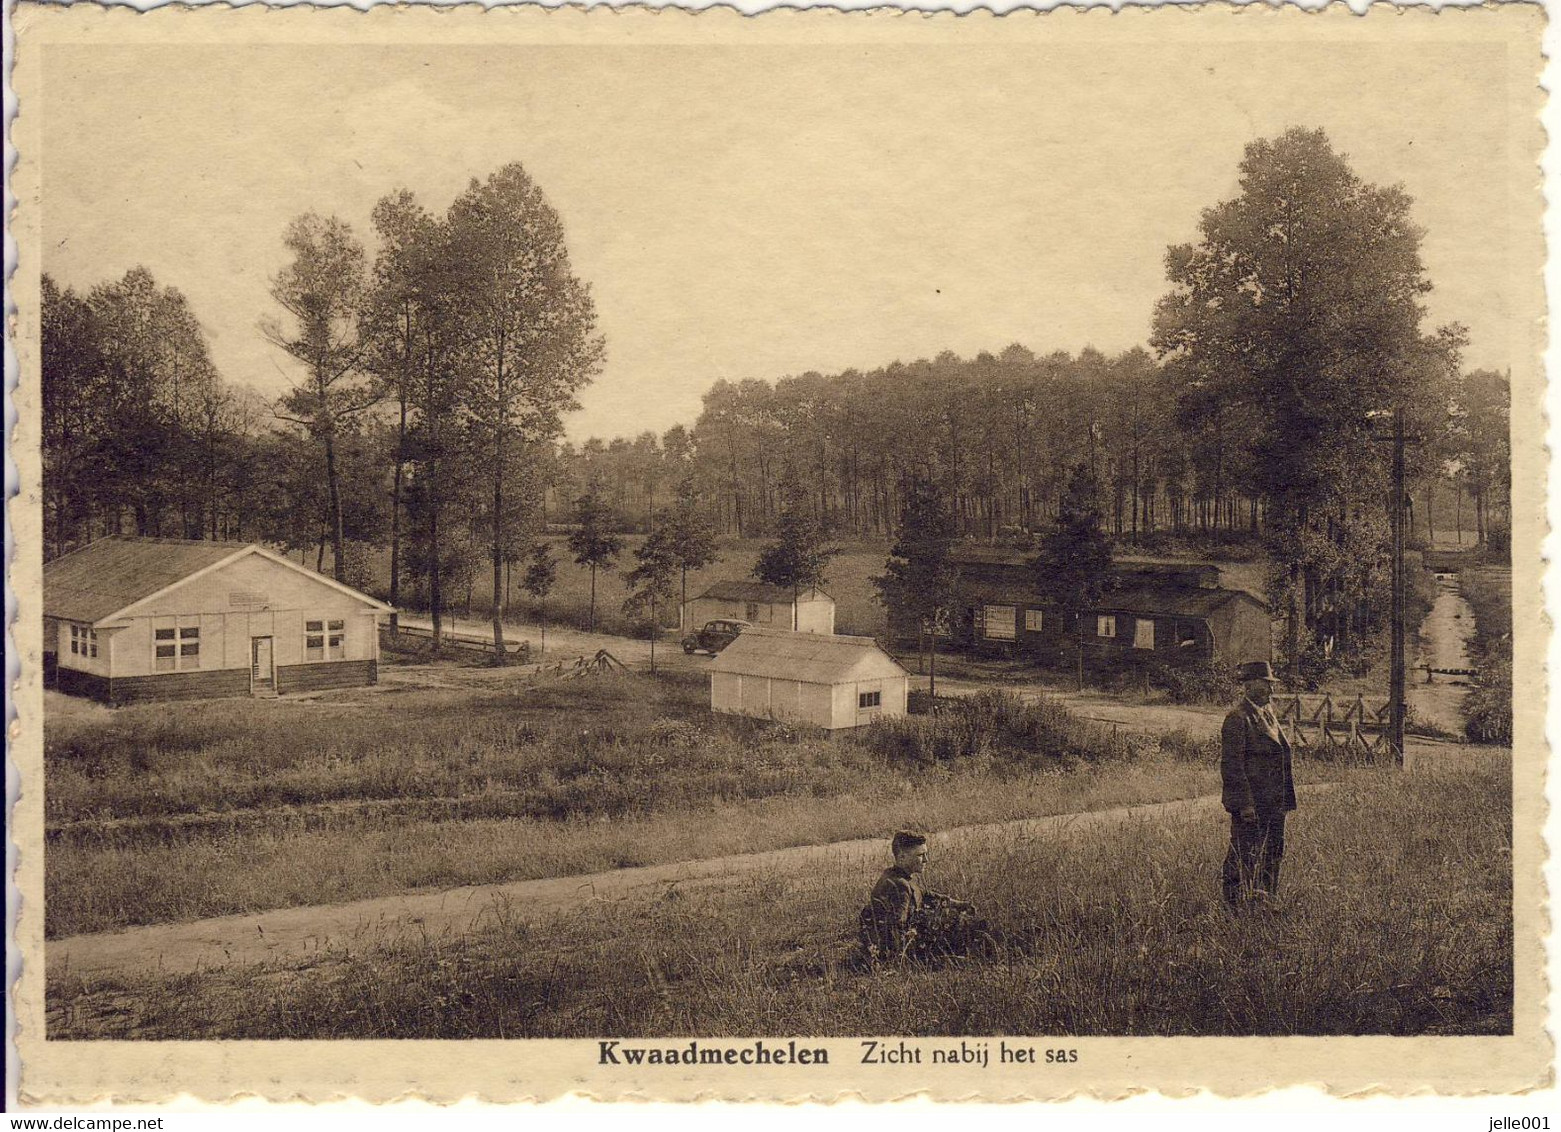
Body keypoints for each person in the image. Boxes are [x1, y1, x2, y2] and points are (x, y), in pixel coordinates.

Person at [854, 830, 996, 967]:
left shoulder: (894, 875)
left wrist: (958, 904)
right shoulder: (900, 886)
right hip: (910, 950)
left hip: (901, 944)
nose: (926, 860)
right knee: (974, 931)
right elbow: (897, 930)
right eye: (921, 855)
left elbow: (926, 895)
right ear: (902, 857)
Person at [1220, 660, 1297, 910]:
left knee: (1273, 853)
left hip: (1275, 803)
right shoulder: (1237, 718)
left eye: (1271, 685)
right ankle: (1234, 907)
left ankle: (1265, 901)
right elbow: (1233, 767)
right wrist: (1245, 805)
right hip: (1252, 804)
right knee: (1243, 854)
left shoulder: (1269, 715)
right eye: (1266, 685)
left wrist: (1285, 801)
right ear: (1250, 686)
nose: (1271, 691)